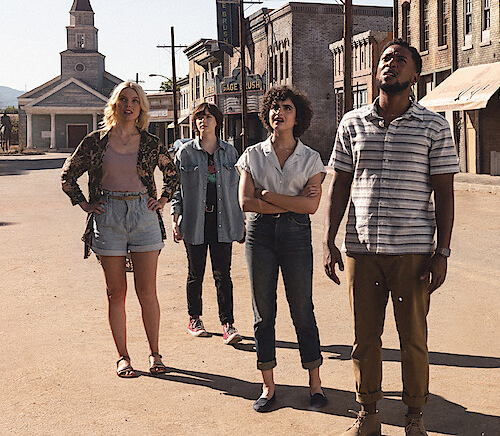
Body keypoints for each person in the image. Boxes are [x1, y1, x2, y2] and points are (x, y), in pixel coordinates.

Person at [322, 39, 459, 436]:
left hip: (412, 252)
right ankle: (368, 414)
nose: (390, 64)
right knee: (365, 338)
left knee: (413, 338)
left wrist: (442, 252)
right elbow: (340, 184)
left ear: (415, 75)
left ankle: (414, 418)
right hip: (361, 251)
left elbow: (445, 192)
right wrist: (329, 240)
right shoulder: (351, 123)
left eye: (400, 60)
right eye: (385, 58)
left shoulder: (434, 127)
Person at [60, 81, 179, 378]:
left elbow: (172, 173)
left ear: (141, 108)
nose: (129, 105)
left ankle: (155, 353)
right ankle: (123, 357)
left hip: (143, 215)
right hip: (108, 215)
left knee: (147, 291)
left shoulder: (151, 142)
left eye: (135, 101)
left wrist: (163, 199)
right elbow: (68, 176)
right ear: (113, 105)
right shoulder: (95, 141)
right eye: (123, 99)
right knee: (116, 292)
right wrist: (85, 204)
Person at [235, 85, 327, 412]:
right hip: (260, 236)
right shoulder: (252, 156)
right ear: (267, 115)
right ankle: (268, 387)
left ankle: (315, 386)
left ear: (296, 116)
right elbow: (246, 201)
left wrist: (269, 196)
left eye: (286, 107)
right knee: (264, 312)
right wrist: (292, 203)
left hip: (297, 235)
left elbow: (311, 208)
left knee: (302, 307)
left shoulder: (311, 158)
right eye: (274, 108)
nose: (280, 112)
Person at [170, 103, 245, 345]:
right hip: (195, 220)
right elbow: (175, 189)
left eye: (209, 117)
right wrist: (175, 217)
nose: (204, 121)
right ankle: (195, 318)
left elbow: (238, 190)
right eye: (200, 117)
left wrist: (242, 220)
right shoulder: (186, 153)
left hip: (223, 219)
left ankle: (228, 323)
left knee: (224, 274)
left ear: (217, 121)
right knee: (196, 273)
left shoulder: (231, 153)